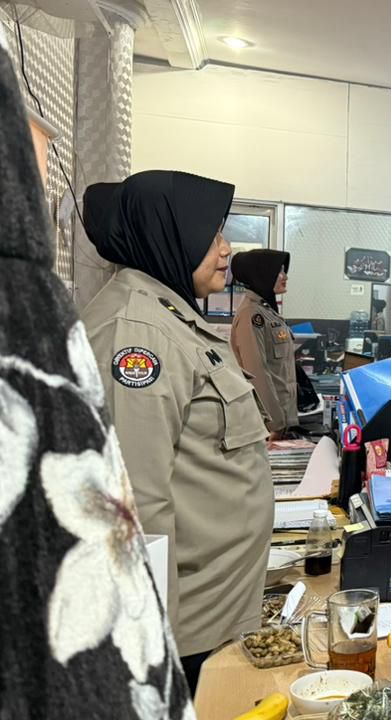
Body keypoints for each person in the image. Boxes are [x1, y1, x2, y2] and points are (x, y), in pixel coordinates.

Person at [0, 46, 193, 717]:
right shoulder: (36, 309)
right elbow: (129, 505)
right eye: (213, 232)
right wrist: (158, 641)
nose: (43, 161)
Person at [79, 170, 272, 690]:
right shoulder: (137, 334)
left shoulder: (168, 316)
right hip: (181, 635)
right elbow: (134, 506)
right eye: (211, 234)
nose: (226, 249)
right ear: (168, 234)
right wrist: (149, 653)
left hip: (213, 616)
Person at [230, 249, 298, 439]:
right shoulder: (252, 315)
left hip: (282, 417)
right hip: (267, 424)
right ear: (263, 274)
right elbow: (257, 372)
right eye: (279, 271)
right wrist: (274, 424)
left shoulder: (268, 311)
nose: (285, 276)